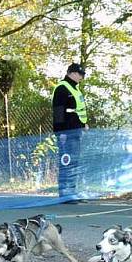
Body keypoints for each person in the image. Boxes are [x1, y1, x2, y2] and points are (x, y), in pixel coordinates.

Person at [52, 63, 88, 202]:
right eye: (80, 74)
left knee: (74, 163)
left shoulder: (75, 89)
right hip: (66, 132)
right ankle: (66, 194)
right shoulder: (62, 88)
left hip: (76, 130)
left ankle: (71, 192)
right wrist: (60, 132)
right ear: (72, 73)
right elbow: (59, 112)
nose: (81, 77)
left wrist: (83, 124)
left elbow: (77, 111)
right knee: (67, 162)